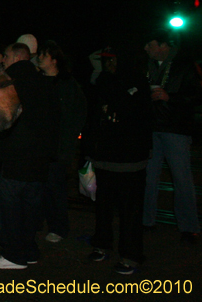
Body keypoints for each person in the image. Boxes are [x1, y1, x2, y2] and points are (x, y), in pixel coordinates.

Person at [0, 43, 60, 270]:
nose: (3, 60)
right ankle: (29, 251)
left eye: (6, 55)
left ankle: (13, 255)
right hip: (39, 161)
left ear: (18, 57)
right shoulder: (44, 82)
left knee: (10, 211)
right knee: (30, 210)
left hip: (14, 159)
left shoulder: (9, 83)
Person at [83, 48, 151, 274]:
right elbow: (94, 115)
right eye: (105, 60)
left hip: (130, 159)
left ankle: (130, 255)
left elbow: (136, 116)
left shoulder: (138, 82)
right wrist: (89, 149)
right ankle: (101, 244)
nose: (108, 64)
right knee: (103, 207)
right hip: (104, 157)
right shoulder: (102, 80)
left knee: (129, 210)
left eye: (112, 59)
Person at [142, 30, 202, 244]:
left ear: (162, 45)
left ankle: (189, 227)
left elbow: (196, 95)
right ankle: (146, 220)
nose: (146, 49)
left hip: (176, 128)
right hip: (152, 126)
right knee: (148, 177)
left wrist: (171, 97)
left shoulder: (183, 64)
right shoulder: (147, 66)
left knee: (181, 178)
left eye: (149, 44)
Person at [36, 40, 87, 243]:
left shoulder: (68, 86)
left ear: (54, 60)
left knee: (55, 188)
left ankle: (58, 227)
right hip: (38, 146)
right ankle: (40, 222)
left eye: (43, 55)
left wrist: (67, 142)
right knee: (38, 187)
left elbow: (78, 115)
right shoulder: (38, 82)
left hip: (57, 148)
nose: (39, 58)